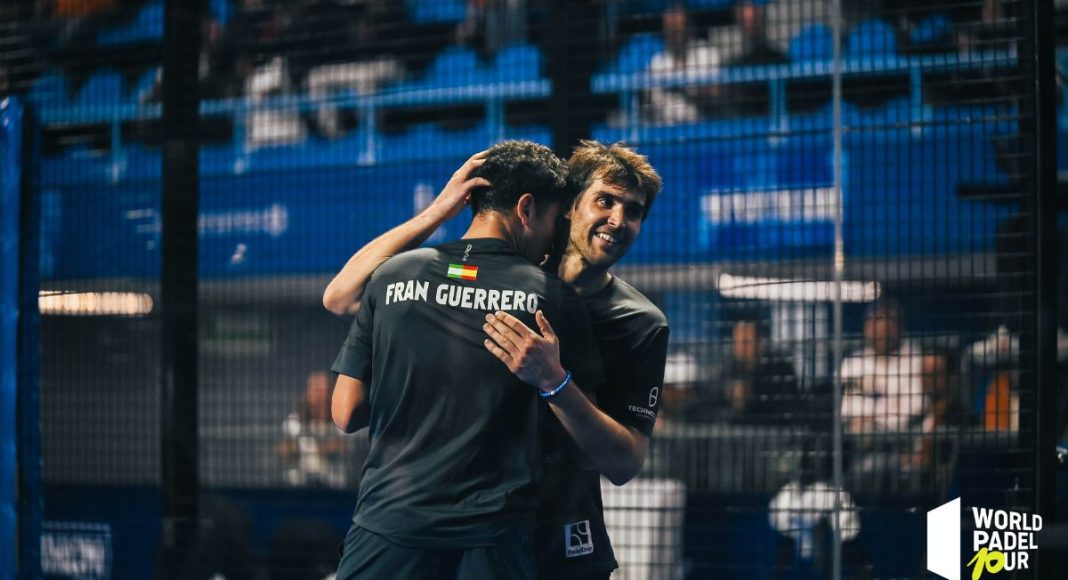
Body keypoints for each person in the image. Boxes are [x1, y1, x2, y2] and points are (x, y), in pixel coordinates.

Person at [324, 139, 669, 580]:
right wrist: (437, 213)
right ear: (566, 207)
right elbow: (340, 295)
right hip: (474, 529)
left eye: (634, 211)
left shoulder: (641, 322)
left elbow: (624, 463)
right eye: (605, 200)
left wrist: (556, 384)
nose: (617, 220)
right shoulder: (519, 277)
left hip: (556, 533)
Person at [276, 370, 350, 488]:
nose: (320, 395)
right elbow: (283, 450)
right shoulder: (294, 422)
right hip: (299, 487)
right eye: (315, 390)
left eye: (323, 390)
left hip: (334, 487)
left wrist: (303, 448)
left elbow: (343, 447)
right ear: (308, 393)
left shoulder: (340, 420)